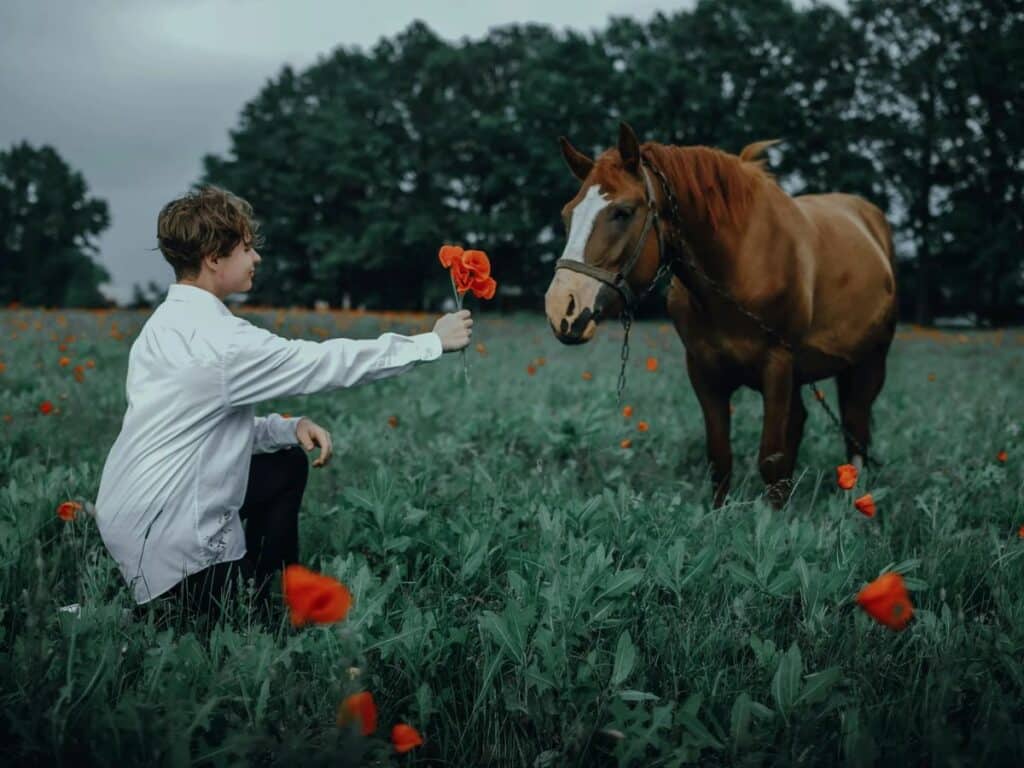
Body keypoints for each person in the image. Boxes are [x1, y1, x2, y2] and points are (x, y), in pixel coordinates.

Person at [94, 185, 473, 629]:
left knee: (284, 463)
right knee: (213, 632)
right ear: (214, 258)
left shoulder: (163, 324)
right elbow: (325, 363)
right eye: (247, 248)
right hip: (170, 533)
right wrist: (430, 342)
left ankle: (264, 587)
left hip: (131, 508)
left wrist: (284, 428)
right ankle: (210, 609)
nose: (256, 259)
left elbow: (197, 425)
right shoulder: (223, 341)